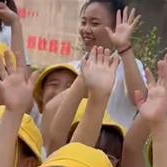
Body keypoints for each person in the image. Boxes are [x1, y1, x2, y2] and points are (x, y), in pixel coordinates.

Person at [42, 0, 146, 142]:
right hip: (72, 151)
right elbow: (50, 112)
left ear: (116, 27)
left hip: (111, 154)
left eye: (95, 23)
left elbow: (139, 99)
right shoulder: (72, 69)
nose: (86, 29)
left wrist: (124, 48)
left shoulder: (129, 66)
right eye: (84, 22)